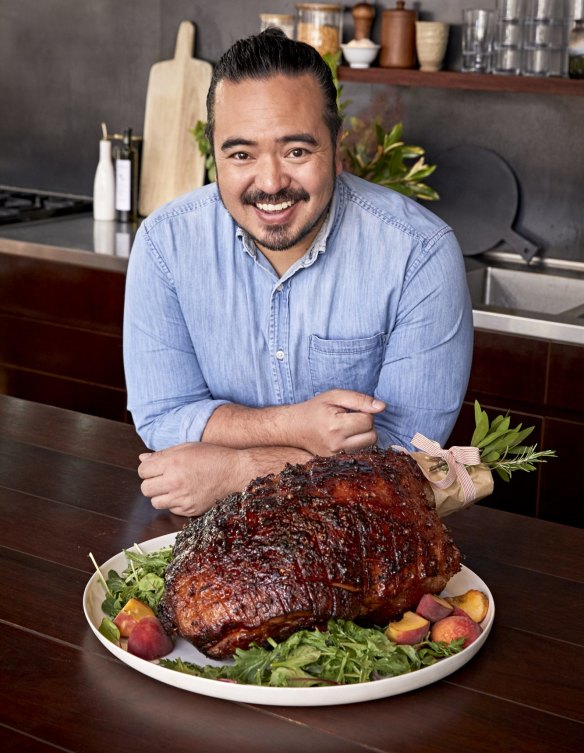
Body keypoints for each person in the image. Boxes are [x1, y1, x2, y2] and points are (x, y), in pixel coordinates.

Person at [123, 28, 473, 517]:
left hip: (360, 540)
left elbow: (405, 462)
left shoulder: (420, 254)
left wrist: (234, 472)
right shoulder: (164, 244)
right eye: (241, 154)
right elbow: (163, 414)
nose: (270, 183)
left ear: (336, 142)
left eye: (297, 152)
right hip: (206, 541)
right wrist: (295, 426)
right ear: (214, 153)